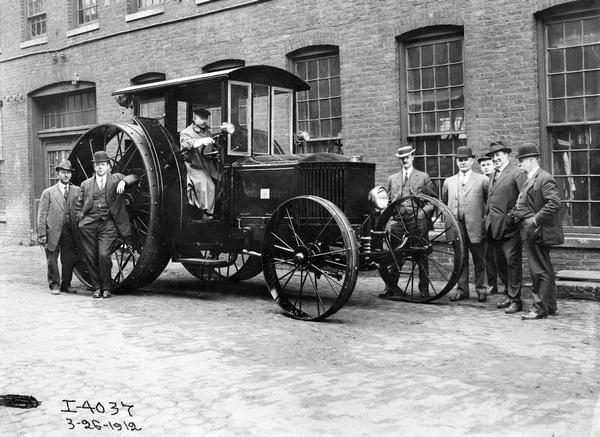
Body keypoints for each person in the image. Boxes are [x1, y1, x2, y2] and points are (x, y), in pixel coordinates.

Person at [509, 144, 564, 319]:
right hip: (530, 230)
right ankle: (550, 305)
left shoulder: (544, 178)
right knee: (545, 267)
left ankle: (539, 309)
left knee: (539, 270)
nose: (519, 165)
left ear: (532, 160)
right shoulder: (530, 178)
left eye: (522, 161)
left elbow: (554, 203)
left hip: (537, 231)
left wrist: (534, 220)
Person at [76, 151, 138, 299]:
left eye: (103, 164)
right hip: (89, 225)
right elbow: (78, 206)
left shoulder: (116, 178)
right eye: (97, 165)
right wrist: (80, 219)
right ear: (94, 167)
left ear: (108, 166)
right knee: (91, 256)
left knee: (104, 255)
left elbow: (134, 177)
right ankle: (97, 288)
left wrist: (124, 182)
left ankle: (106, 287)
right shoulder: (86, 184)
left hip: (108, 224)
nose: (100, 168)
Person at [379, 145, 436, 299]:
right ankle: (390, 286)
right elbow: (389, 203)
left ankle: (424, 288)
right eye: (401, 158)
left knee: (421, 254)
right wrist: (389, 219)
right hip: (399, 221)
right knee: (394, 253)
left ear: (412, 157)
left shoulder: (423, 177)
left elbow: (433, 201)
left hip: (416, 222)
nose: (404, 160)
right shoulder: (393, 178)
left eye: (407, 157)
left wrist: (422, 215)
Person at [442, 147, 489, 302]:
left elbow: (489, 204)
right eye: (460, 160)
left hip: (476, 226)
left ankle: (481, 290)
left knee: (479, 260)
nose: (463, 162)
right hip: (457, 227)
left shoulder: (483, 180)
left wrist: (485, 222)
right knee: (459, 260)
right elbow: (443, 203)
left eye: (466, 159)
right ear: (456, 162)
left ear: (472, 161)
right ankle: (462, 290)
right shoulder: (449, 181)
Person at [484, 141, 526, 314]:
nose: (495, 158)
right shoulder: (494, 174)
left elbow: (524, 197)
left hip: (510, 228)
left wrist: (511, 217)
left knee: (512, 263)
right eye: (492, 156)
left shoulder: (516, 172)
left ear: (506, 155)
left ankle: (516, 301)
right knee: (501, 263)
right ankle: (509, 295)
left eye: (498, 155)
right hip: (494, 228)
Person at [37, 159, 80, 295]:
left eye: (68, 173)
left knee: (69, 259)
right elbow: (42, 215)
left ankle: (66, 284)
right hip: (52, 231)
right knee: (52, 259)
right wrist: (42, 234)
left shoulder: (77, 191)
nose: (66, 175)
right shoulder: (48, 193)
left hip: (70, 231)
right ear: (58, 174)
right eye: (63, 172)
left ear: (71, 175)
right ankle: (54, 285)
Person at [180, 108, 220, 219]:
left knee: (222, 182)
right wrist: (199, 141)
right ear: (195, 118)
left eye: (205, 118)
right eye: (201, 118)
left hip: (208, 165)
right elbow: (186, 144)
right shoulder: (186, 132)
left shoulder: (208, 132)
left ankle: (216, 211)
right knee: (208, 185)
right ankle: (207, 214)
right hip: (194, 166)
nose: (204, 121)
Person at [478, 154, 507, 296]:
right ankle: (492, 283)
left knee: (502, 255)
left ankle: (507, 284)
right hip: (486, 223)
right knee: (488, 256)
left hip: (499, 223)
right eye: (483, 165)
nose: (485, 167)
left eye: (488, 164)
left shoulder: (498, 179)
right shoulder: (480, 181)